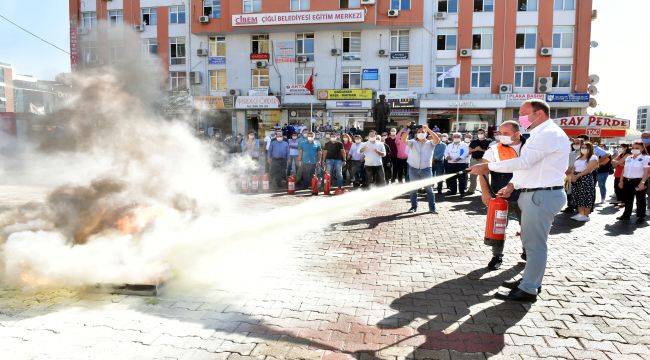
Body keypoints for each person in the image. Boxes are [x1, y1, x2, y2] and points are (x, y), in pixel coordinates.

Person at [470, 99, 569, 303]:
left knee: (534, 246)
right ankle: (529, 280)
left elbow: (524, 162)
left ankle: (528, 289)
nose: (520, 118)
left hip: (541, 195)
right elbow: (530, 168)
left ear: (539, 114)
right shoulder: (539, 134)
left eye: (524, 114)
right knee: (530, 242)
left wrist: (489, 167)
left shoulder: (548, 134)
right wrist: (512, 185)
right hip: (535, 193)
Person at [479, 121, 526, 270]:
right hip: (500, 196)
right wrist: (485, 192)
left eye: (506, 133)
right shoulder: (494, 149)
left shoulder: (530, 147)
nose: (501, 136)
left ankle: (527, 252)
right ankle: (497, 256)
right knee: (498, 227)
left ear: (517, 133)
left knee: (527, 227)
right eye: (500, 133)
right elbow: (483, 170)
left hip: (526, 195)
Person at [405, 125, 440, 213]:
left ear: (426, 134)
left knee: (429, 189)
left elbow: (437, 140)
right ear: (416, 134)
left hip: (426, 169)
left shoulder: (430, 143)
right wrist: (408, 129)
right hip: (413, 168)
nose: (421, 133)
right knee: (413, 189)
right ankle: (413, 207)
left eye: (423, 132)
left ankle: (432, 208)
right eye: (419, 132)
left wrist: (428, 129)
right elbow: (403, 140)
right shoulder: (412, 142)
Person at [617, 141, 650, 224]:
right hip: (627, 181)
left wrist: (642, 183)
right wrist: (621, 181)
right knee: (628, 199)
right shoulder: (629, 158)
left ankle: (640, 216)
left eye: (637, 148)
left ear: (642, 149)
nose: (634, 149)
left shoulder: (646, 158)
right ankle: (626, 215)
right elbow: (624, 170)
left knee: (640, 200)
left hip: (639, 181)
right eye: (633, 148)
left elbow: (647, 172)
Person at [569, 142, 599, 222]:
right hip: (576, 178)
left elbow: (588, 169)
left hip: (585, 178)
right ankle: (580, 213)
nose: (583, 149)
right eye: (582, 147)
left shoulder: (593, 157)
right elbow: (573, 168)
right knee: (578, 196)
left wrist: (577, 176)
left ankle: (586, 215)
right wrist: (572, 176)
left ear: (590, 148)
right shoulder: (578, 157)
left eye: (586, 147)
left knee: (586, 196)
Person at [562, 137, 584, 214]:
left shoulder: (583, 154)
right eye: (575, 143)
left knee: (577, 191)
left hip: (577, 175)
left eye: (578, 143)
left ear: (582, 144)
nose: (576, 144)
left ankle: (578, 207)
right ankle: (570, 206)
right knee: (568, 190)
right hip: (568, 175)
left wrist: (571, 170)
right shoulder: (571, 153)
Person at [467, 129, 491, 194]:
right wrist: (475, 149)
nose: (480, 134)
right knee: (472, 176)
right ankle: (471, 190)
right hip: (474, 160)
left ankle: (486, 191)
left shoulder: (488, 141)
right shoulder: (473, 142)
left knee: (485, 176)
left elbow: (489, 151)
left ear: (485, 133)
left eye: (482, 133)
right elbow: (469, 151)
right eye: (479, 133)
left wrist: (481, 150)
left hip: (483, 161)